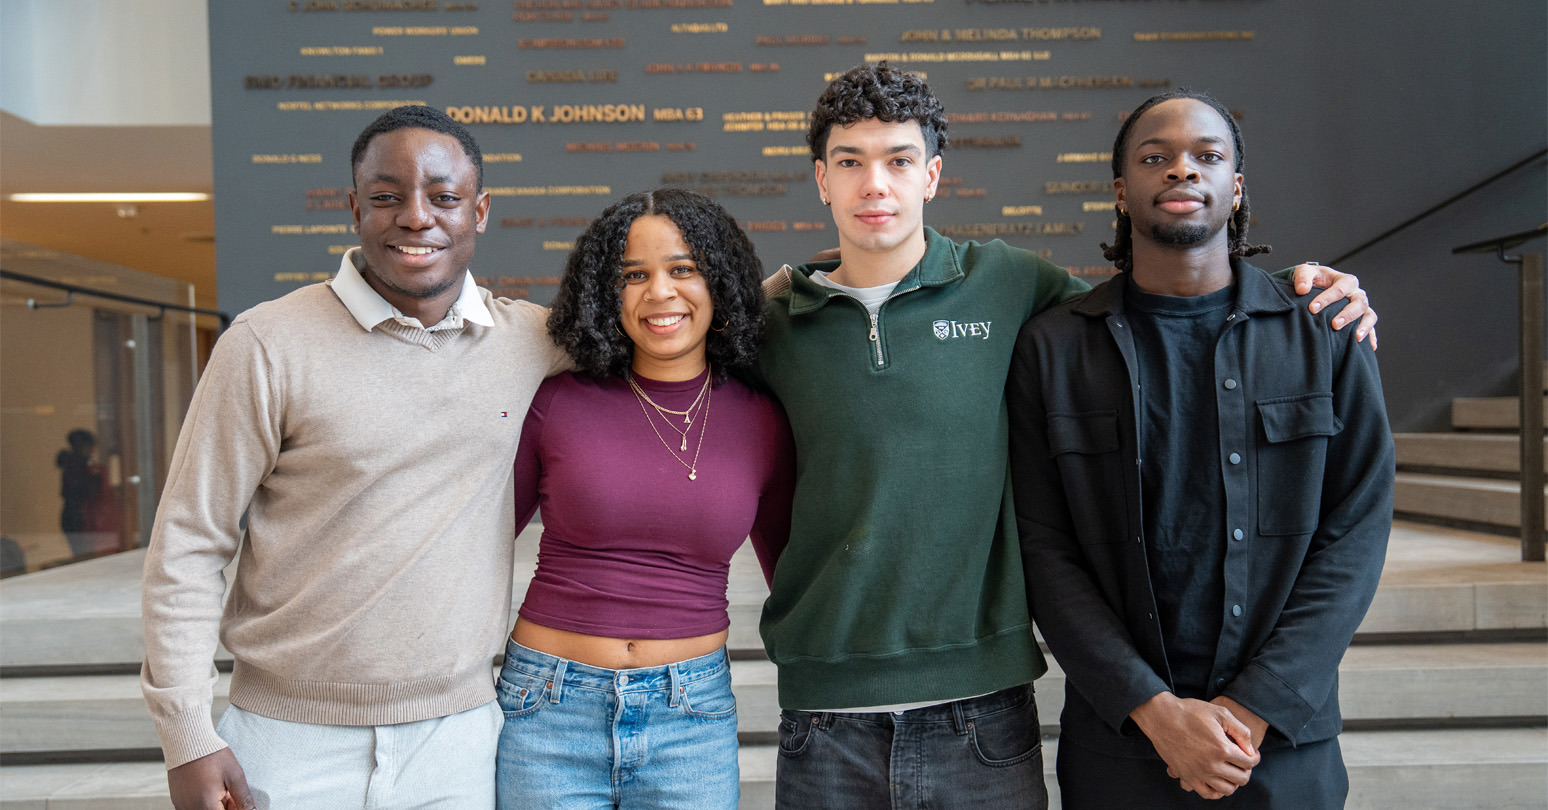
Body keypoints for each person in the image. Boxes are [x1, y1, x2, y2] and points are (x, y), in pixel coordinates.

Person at [753, 63, 1379, 809]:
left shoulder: (1011, 285)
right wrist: (777, 290)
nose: (874, 185)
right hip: (846, 714)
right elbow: (1045, 544)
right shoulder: (777, 324)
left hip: (1004, 713)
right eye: (850, 164)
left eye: (898, 161)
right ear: (822, 180)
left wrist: (1304, 289)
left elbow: (1167, 296)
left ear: (933, 176)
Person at [140, 105, 568, 810]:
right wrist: (187, 734)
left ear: (481, 211)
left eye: (444, 196)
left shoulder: (529, 339)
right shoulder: (266, 344)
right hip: (285, 739)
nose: (416, 216)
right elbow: (190, 541)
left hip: (457, 740)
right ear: (354, 207)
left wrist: (807, 283)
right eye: (386, 196)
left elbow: (676, 323)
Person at [1007, 91, 1394, 808]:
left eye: (1207, 157)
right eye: (1156, 158)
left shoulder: (1327, 334)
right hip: (1119, 742)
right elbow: (1043, 548)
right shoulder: (1054, 349)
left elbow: (1357, 532)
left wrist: (1251, 710)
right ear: (1122, 193)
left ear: (1237, 188)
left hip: (1281, 744)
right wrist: (1156, 712)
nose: (1182, 171)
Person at [494, 187, 794, 809]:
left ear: (722, 284)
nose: (660, 292)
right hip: (548, 706)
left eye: (683, 269)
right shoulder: (555, 403)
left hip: (692, 714)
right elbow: (476, 544)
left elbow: (794, 575)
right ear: (608, 293)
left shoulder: (763, 419)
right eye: (634, 275)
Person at [56, 428, 106, 558]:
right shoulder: (79, 466)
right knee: (84, 555)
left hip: (71, 515)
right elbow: (87, 492)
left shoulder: (70, 464)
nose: (92, 449)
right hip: (79, 517)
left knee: (80, 554)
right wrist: (97, 478)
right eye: (90, 445)